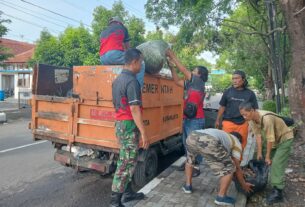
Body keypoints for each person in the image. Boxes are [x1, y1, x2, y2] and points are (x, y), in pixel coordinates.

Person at [110, 48, 149, 207]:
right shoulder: (132, 81)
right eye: (140, 62)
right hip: (128, 124)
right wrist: (144, 132)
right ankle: (115, 202)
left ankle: (128, 193)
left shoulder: (117, 79)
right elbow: (134, 109)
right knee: (126, 163)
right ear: (134, 62)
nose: (141, 65)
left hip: (120, 124)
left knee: (129, 160)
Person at [239, 101, 294, 205]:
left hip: (285, 139)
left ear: (252, 110)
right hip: (275, 140)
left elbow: (270, 139)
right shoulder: (251, 119)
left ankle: (278, 191)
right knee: (264, 159)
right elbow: (258, 136)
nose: (244, 117)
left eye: (245, 114)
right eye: (242, 115)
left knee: (277, 163)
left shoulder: (266, 119)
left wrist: (268, 156)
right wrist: (260, 152)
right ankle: (274, 179)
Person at [182, 128, 253, 206]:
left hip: (192, 136)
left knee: (190, 161)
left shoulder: (223, 135)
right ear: (240, 140)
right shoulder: (237, 143)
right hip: (209, 140)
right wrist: (243, 184)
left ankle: (187, 186)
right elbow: (237, 167)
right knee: (230, 168)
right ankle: (221, 197)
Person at [166, 49, 208, 177]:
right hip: (189, 118)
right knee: (186, 143)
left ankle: (195, 167)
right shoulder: (191, 84)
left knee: (192, 144)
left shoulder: (198, 82)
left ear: (199, 74)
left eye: (194, 71)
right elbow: (177, 81)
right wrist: (172, 68)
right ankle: (189, 165)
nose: (192, 72)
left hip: (195, 120)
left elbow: (183, 70)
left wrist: (173, 56)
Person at [215, 70, 258, 150]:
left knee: (241, 146)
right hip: (228, 122)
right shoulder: (228, 91)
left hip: (244, 123)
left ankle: (237, 162)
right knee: (226, 144)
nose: (234, 81)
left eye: (237, 78)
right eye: (233, 79)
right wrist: (218, 120)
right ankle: (227, 162)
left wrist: (254, 125)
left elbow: (254, 110)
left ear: (243, 79)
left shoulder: (250, 93)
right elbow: (222, 107)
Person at [100, 16, 145, 88]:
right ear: (120, 23)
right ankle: (138, 89)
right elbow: (128, 48)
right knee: (140, 62)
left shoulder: (103, 31)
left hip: (102, 58)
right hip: (114, 55)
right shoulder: (122, 28)